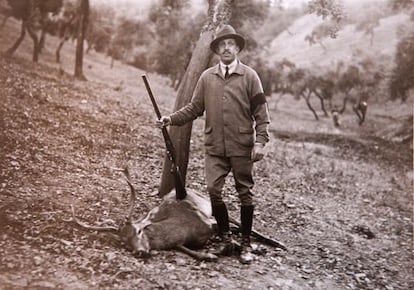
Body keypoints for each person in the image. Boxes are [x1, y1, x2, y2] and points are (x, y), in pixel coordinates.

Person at [157, 25, 270, 264]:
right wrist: (171, 118)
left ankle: (246, 244)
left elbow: (261, 113)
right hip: (215, 147)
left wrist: (260, 142)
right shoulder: (207, 77)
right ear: (217, 50)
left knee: (245, 193)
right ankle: (227, 239)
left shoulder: (250, 76)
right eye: (222, 45)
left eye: (231, 44)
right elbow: (194, 108)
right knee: (213, 191)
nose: (226, 48)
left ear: (237, 48)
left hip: (242, 146)